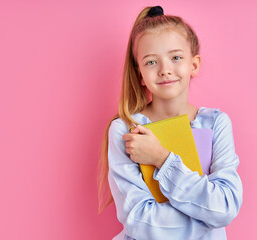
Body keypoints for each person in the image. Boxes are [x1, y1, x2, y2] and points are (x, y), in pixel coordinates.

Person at [97, 6, 243, 240]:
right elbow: (140, 222)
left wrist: (161, 159)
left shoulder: (216, 124)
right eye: (151, 62)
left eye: (176, 57)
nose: (165, 70)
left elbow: (225, 206)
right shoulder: (125, 130)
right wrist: (208, 219)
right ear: (140, 74)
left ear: (193, 65)